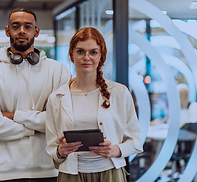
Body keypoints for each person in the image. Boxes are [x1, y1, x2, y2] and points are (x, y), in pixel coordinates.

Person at [0, 7, 71, 182]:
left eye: (28, 26)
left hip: (48, 169)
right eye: (16, 26)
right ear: (7, 30)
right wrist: (39, 126)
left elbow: (61, 121)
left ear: (37, 31)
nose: (21, 31)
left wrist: (12, 116)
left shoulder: (58, 70)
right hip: (3, 172)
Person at [45, 27, 143, 182]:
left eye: (93, 52)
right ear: (71, 55)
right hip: (71, 175)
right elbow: (51, 147)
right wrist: (60, 151)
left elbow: (136, 141)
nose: (86, 57)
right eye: (80, 51)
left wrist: (115, 150)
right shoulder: (56, 98)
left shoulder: (119, 93)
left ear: (101, 56)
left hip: (110, 174)